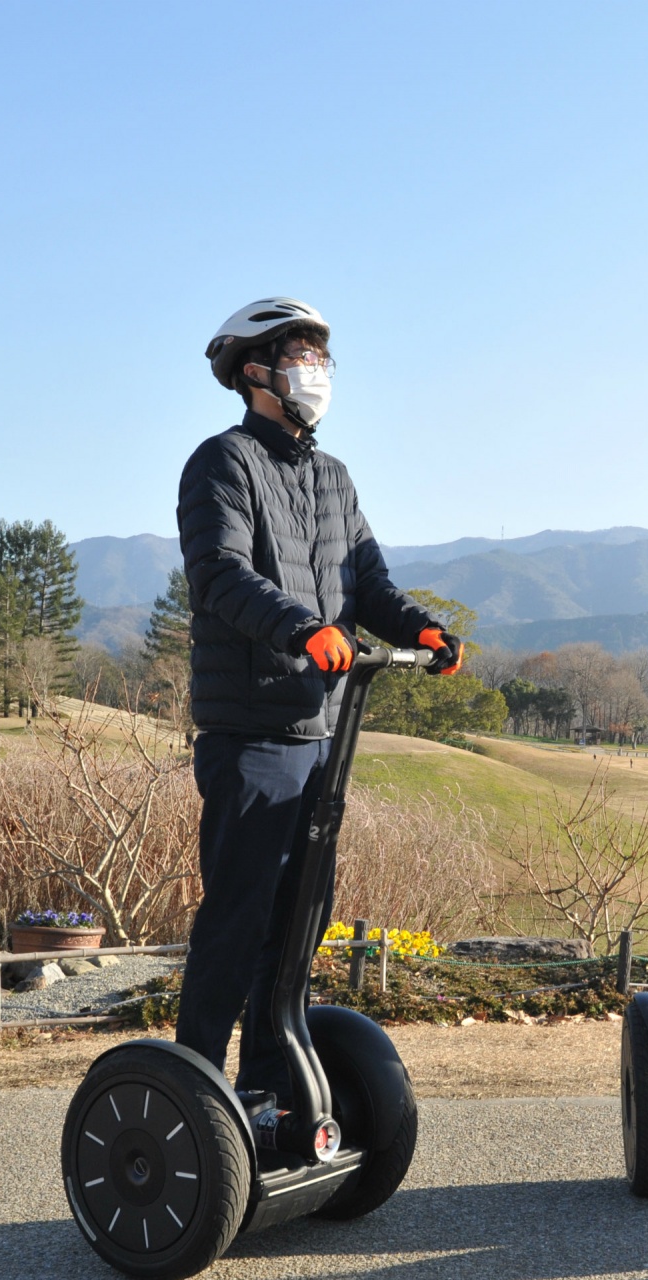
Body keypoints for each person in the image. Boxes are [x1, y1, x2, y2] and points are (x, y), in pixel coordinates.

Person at [175, 297, 464, 1104]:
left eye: (322, 359)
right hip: (253, 731)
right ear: (254, 371)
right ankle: (194, 1089)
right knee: (240, 919)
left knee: (301, 919)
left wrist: (424, 628)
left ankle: (268, 1091)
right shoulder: (222, 463)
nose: (316, 373)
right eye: (300, 356)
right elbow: (222, 576)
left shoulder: (332, 478)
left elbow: (365, 580)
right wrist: (301, 628)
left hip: (321, 733)